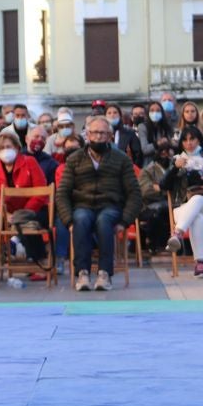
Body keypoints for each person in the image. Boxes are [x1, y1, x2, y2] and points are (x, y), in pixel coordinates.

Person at [56, 115, 142, 292]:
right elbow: (62, 193)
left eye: (103, 133)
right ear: (87, 135)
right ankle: (83, 273)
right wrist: (68, 221)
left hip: (110, 207)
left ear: (110, 136)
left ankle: (104, 273)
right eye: (95, 133)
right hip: (83, 205)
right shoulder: (74, 159)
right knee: (80, 219)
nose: (99, 137)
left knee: (104, 221)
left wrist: (125, 221)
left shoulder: (122, 159)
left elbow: (134, 194)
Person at [162, 127, 203, 277]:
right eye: (185, 140)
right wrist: (174, 168)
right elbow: (163, 185)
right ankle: (200, 264)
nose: (189, 143)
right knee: (197, 217)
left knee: (197, 199)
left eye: (193, 139)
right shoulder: (177, 160)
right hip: (183, 208)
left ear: (200, 140)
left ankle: (177, 234)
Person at [0, 132, 49, 276]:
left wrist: (23, 213)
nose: (5, 150)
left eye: (9, 146)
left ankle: (38, 261)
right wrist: (5, 214)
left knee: (30, 220)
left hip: (34, 207)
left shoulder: (30, 162)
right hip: (8, 212)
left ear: (17, 148)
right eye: (1, 148)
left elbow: (41, 190)